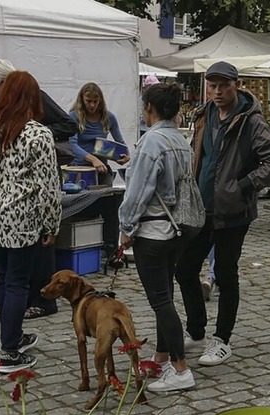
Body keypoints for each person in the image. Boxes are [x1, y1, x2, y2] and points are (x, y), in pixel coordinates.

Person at [175, 61, 270, 366]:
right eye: (212, 85)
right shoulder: (204, 115)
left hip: (233, 213)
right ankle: (196, 329)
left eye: (224, 85)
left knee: (225, 274)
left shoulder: (250, 121)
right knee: (184, 268)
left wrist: (243, 185)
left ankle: (222, 339)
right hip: (201, 209)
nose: (218, 91)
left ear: (237, 85)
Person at [0, 71, 62, 374]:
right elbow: (47, 186)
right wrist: (51, 225)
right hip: (20, 216)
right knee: (18, 281)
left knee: (6, 279)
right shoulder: (37, 134)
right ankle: (9, 353)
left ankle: (14, 335)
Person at [0, 58, 78, 321]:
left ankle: (44, 300)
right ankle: (18, 307)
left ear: (4, 82)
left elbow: (69, 125)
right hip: (16, 192)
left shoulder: (37, 99)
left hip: (40, 181)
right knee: (15, 268)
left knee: (41, 248)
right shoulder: (0, 112)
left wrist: (36, 135)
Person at [118, 82, 195, 393]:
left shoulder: (152, 142)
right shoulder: (180, 140)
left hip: (151, 230)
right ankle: (163, 357)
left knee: (161, 301)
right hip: (175, 228)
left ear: (149, 108)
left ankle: (180, 369)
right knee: (166, 296)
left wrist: (125, 228)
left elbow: (137, 193)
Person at [68, 82, 130, 182]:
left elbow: (120, 143)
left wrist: (125, 155)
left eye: (95, 102)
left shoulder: (109, 118)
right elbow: (72, 145)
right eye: (88, 101)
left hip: (101, 169)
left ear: (100, 101)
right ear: (82, 100)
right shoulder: (74, 117)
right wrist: (93, 160)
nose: (92, 105)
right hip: (79, 169)